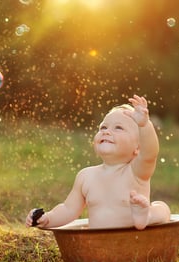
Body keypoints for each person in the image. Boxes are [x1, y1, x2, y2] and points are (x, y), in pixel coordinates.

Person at [26, 95, 170, 230]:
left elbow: (150, 154)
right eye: (103, 127)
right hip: (99, 245)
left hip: (134, 240)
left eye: (118, 128)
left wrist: (145, 125)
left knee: (162, 208)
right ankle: (147, 214)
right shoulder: (85, 176)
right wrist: (48, 219)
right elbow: (68, 209)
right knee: (162, 207)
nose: (107, 132)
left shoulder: (135, 171)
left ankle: (146, 215)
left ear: (137, 147)